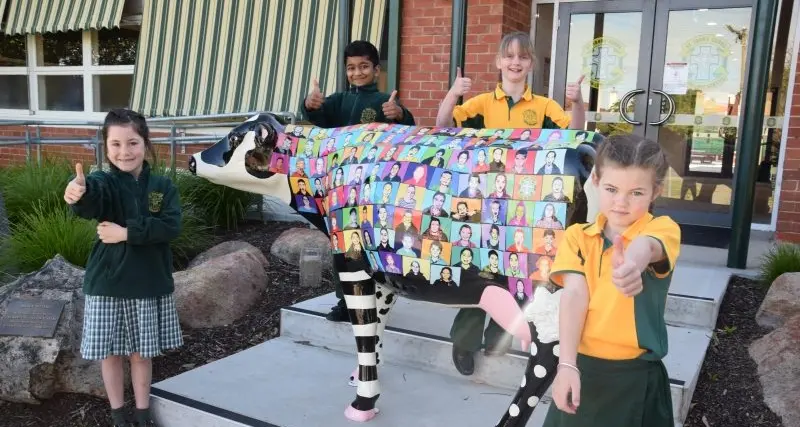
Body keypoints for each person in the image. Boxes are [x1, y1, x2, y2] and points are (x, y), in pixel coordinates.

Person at [435, 31, 586, 376]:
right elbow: (443, 126)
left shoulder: (545, 106)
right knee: (477, 272)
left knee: (515, 273)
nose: (515, 62)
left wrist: (576, 104)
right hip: (483, 206)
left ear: (531, 63)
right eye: (509, 56)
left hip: (525, 209)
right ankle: (464, 340)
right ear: (499, 62)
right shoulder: (484, 103)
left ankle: (499, 336)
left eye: (522, 57)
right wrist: (453, 94)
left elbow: (574, 135)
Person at [543, 134, 680, 427]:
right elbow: (574, 295)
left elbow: (649, 246)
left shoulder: (663, 229)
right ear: (595, 180)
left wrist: (633, 262)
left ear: (656, 191)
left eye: (636, 193)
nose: (621, 202)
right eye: (612, 189)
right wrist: (566, 365)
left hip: (637, 380)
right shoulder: (577, 236)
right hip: (582, 371)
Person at [63, 109, 183, 427]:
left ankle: (143, 413)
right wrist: (78, 191)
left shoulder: (162, 185)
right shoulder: (103, 182)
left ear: (145, 143)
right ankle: (119, 414)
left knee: (142, 354)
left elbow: (170, 226)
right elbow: (91, 199)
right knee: (111, 354)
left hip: (148, 283)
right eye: (115, 144)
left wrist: (126, 233)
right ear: (106, 146)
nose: (124, 152)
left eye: (132, 143)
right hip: (108, 285)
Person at [302, 40, 417, 322]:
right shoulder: (338, 101)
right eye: (351, 68)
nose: (357, 72)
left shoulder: (383, 103)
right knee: (344, 248)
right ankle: (346, 302)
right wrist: (310, 105)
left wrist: (401, 115)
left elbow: (409, 130)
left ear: (376, 70)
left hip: (374, 191)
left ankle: (380, 294)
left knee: (372, 245)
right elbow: (319, 116)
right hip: (342, 192)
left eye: (364, 66)